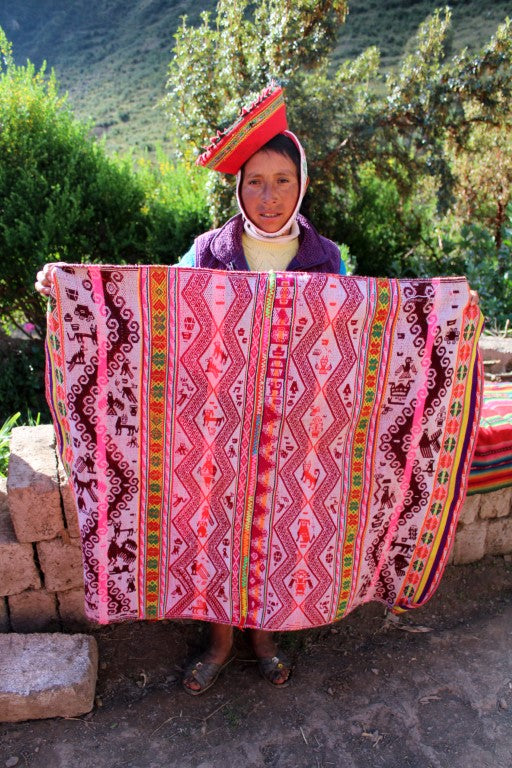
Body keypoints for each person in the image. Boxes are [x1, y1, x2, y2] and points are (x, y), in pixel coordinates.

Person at [35, 82, 479, 696]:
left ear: (302, 186)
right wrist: (69, 287)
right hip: (215, 427)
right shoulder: (207, 253)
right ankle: (219, 644)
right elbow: (153, 311)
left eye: (282, 182)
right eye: (255, 182)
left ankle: (266, 640)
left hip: (301, 429)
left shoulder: (327, 260)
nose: (269, 197)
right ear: (238, 189)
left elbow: (367, 329)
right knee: (216, 530)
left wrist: (450, 311)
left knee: (280, 535)